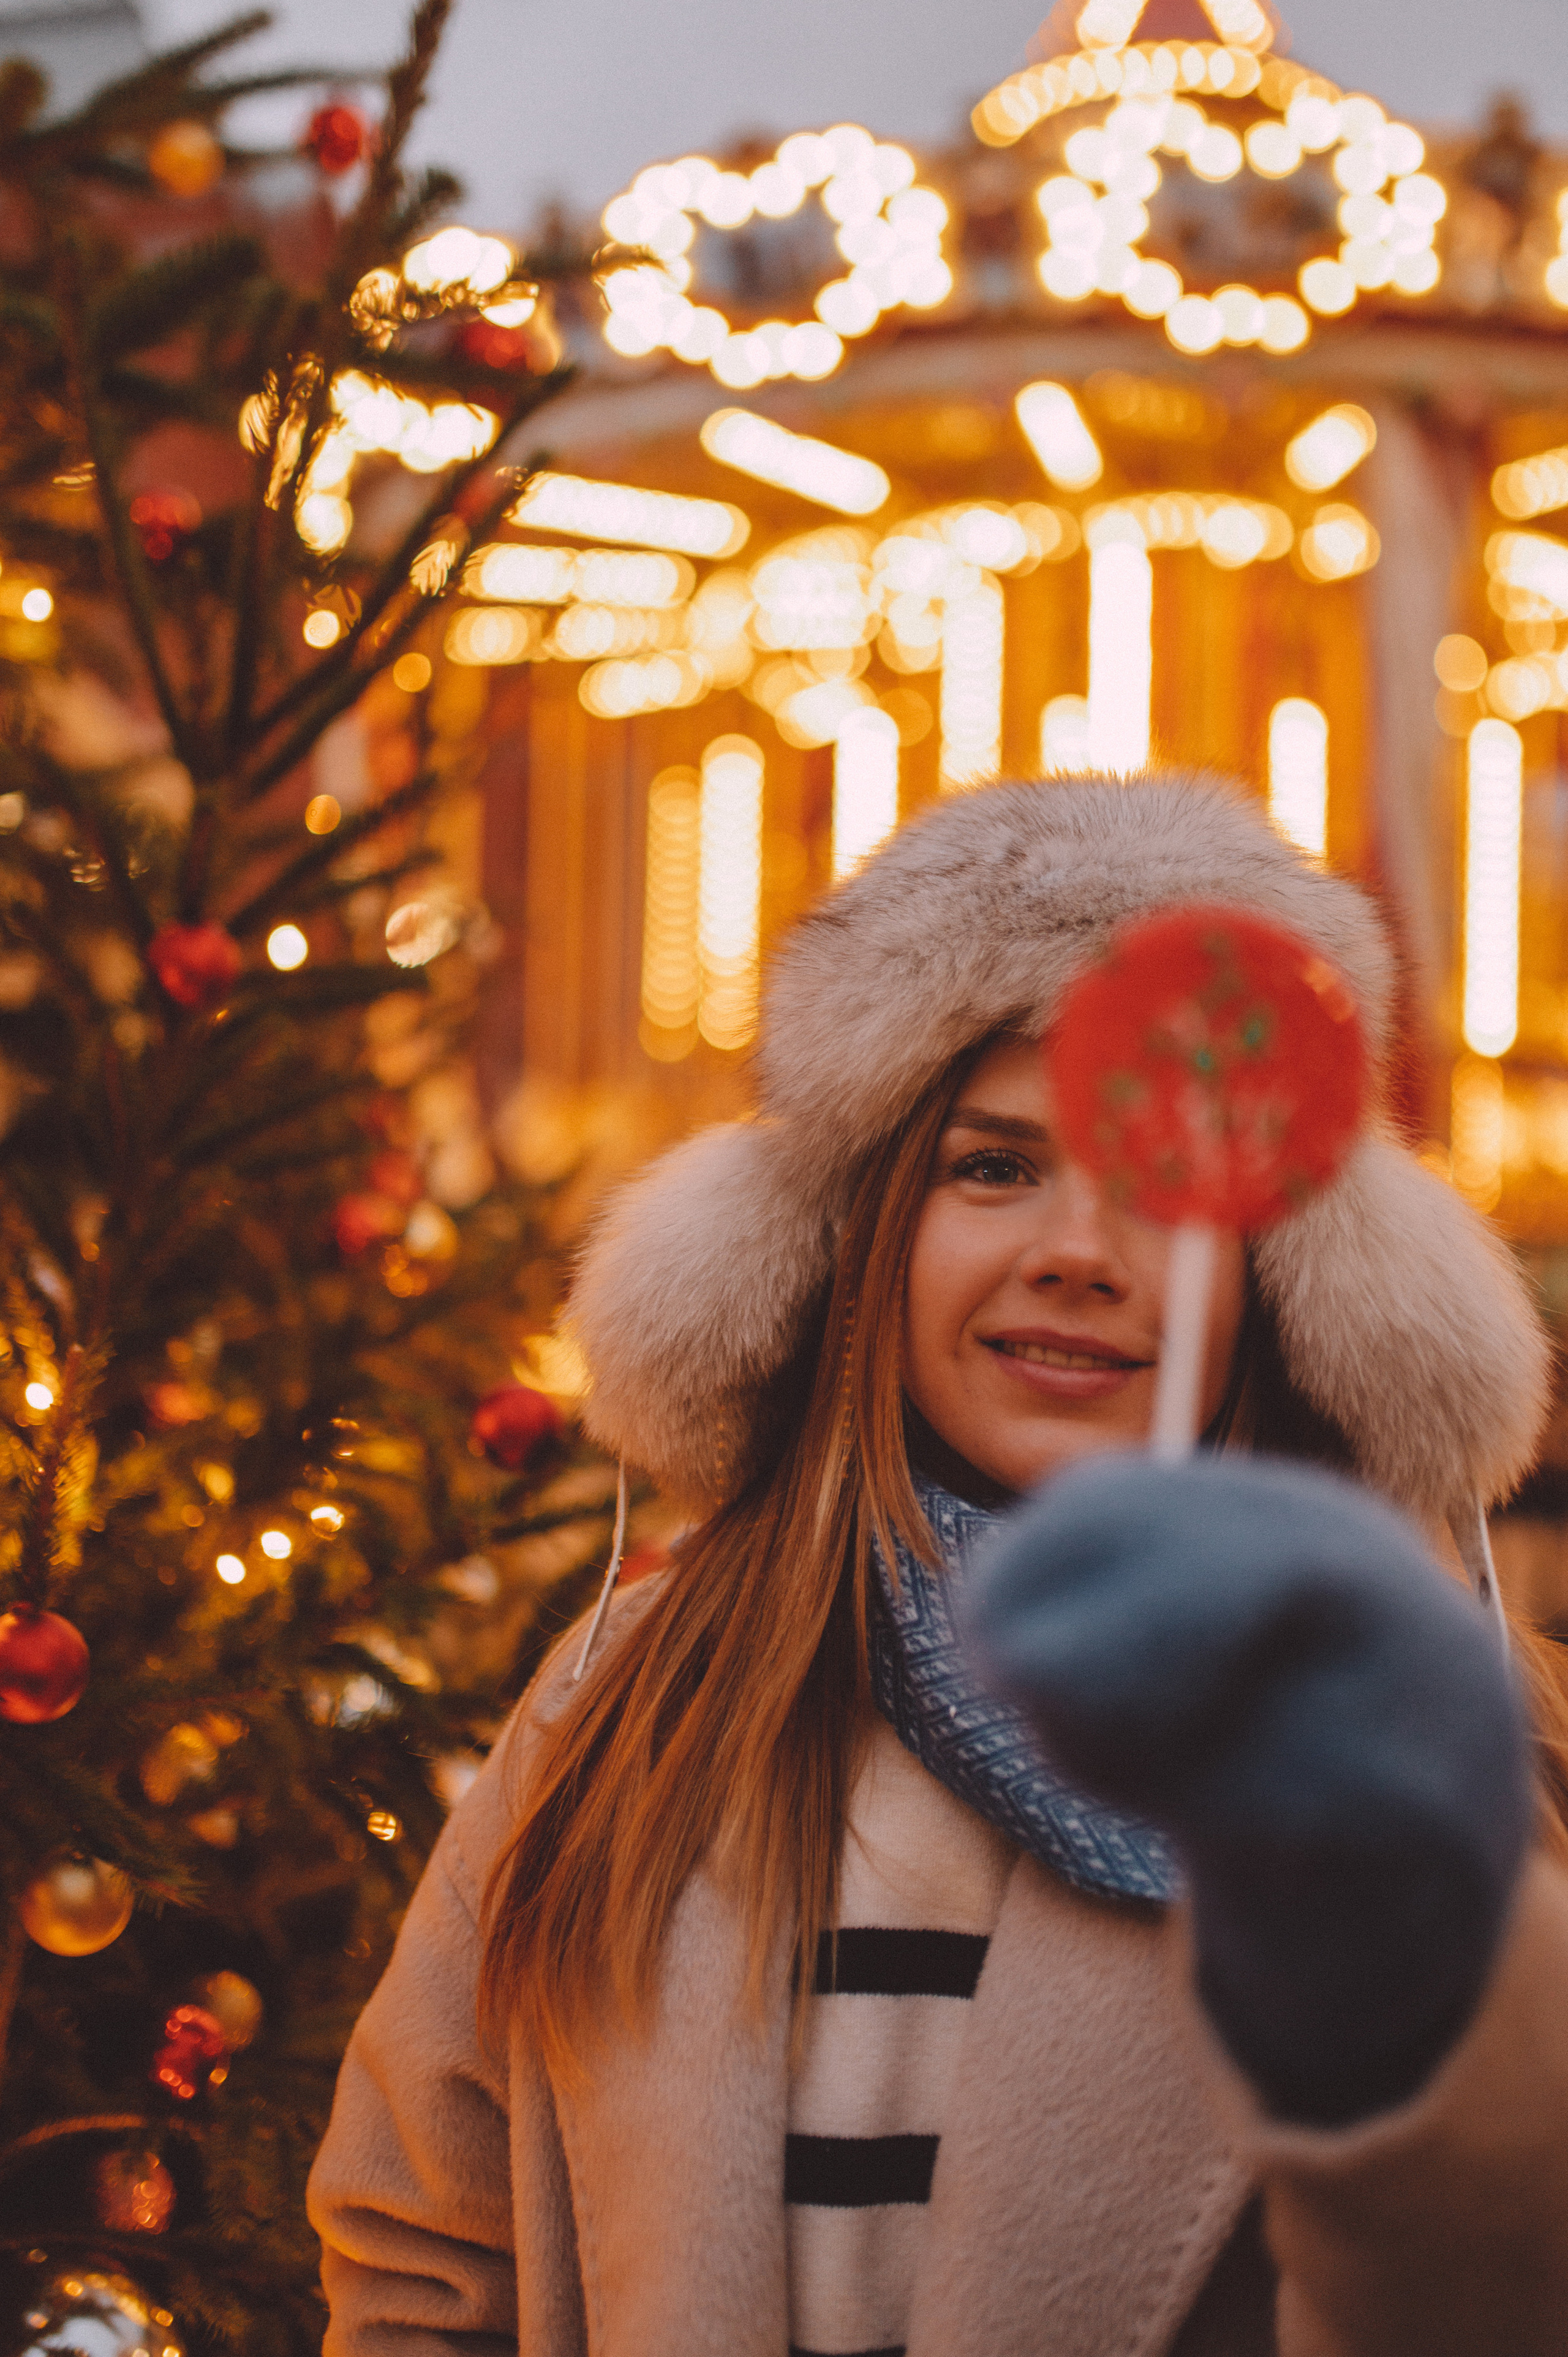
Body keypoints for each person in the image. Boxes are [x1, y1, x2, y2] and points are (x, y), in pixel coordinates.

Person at [307, 774, 1568, 2356]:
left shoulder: (1405, 1746)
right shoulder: (632, 1696)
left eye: (1170, 1184)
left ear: (1289, 1287)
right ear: (862, 1237)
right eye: (993, 1167)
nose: (1079, 1249)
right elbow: (430, 2248)